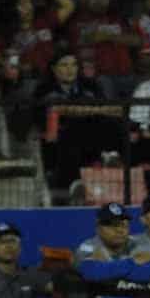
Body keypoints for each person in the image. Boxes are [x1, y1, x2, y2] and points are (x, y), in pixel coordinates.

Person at [33, 50, 125, 197]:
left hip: (92, 133)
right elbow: (50, 112)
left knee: (112, 124)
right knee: (75, 129)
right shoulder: (44, 89)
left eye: (74, 65)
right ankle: (76, 184)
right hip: (61, 139)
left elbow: (113, 109)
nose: (70, 70)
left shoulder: (90, 86)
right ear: (54, 69)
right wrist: (90, 110)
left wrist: (76, 110)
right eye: (64, 65)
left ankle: (111, 158)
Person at [0, 0, 74, 100]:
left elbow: (69, 5)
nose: (28, 7)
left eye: (29, 2)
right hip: (25, 81)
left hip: (51, 80)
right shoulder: (3, 31)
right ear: (12, 7)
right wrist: (7, 64)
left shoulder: (44, 20)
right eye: (22, 3)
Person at [65, 0, 140, 99]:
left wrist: (107, 36)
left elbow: (137, 41)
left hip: (126, 75)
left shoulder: (117, 19)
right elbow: (84, 41)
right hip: (97, 78)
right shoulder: (76, 22)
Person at [73, 202, 150, 283]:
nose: (119, 230)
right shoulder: (88, 247)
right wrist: (133, 262)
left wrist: (109, 268)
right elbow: (92, 273)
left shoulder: (137, 243)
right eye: (113, 225)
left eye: (124, 225)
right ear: (98, 228)